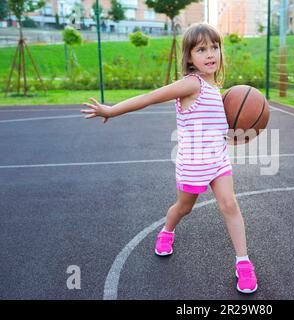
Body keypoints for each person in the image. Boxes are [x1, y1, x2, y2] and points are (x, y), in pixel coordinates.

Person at [80, 23, 258, 294]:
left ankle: (243, 263)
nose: (210, 54)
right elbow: (151, 97)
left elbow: (221, 132)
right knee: (183, 208)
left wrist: (243, 134)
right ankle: (167, 231)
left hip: (218, 162)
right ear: (189, 57)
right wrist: (112, 110)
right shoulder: (191, 84)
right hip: (192, 166)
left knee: (229, 205)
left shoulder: (222, 93)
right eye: (201, 49)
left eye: (214, 47)